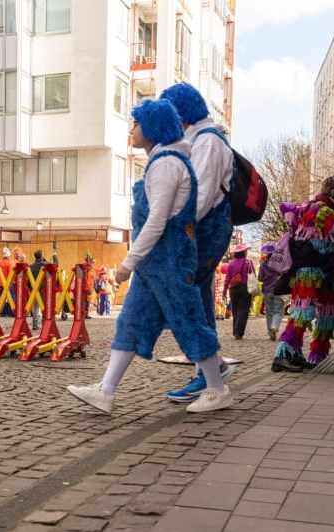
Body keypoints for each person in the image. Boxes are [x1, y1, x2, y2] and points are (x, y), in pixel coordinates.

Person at [67, 98, 230, 414]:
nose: (132, 129)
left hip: (169, 260)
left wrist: (129, 261)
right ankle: (106, 390)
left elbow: (158, 219)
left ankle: (217, 388)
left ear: (153, 126)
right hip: (157, 263)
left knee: (189, 321)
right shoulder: (165, 161)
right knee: (131, 322)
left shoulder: (167, 164)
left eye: (137, 123)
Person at [161, 83, 235, 402]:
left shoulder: (207, 142)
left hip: (205, 229)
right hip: (204, 228)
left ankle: (210, 375)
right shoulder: (201, 140)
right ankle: (211, 368)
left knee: (192, 298)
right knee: (197, 298)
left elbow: (200, 196)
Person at [272, 175, 334, 372]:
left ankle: (318, 356)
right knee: (303, 312)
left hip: (327, 271)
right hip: (309, 270)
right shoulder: (320, 209)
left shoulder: (327, 209)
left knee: (328, 313)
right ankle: (283, 355)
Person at [223, 243, 254, 340]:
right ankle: (238, 332)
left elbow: (227, 278)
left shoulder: (231, 263)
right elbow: (253, 275)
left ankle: (235, 331)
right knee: (243, 311)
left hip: (233, 289)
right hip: (245, 288)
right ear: (244, 252)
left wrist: (224, 290)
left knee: (235, 311)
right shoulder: (248, 262)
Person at [258, 242, 285, 341]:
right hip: (278, 289)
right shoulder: (280, 263)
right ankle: (274, 327)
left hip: (267, 290)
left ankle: (270, 332)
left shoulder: (263, 264)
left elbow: (260, 278)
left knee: (269, 311)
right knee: (278, 310)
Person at [0, 247, 14, 317]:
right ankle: (11, 313)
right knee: (11, 298)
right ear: (8, 256)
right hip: (8, 284)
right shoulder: (9, 263)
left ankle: (3, 313)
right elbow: (11, 274)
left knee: (2, 299)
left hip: (1, 283)